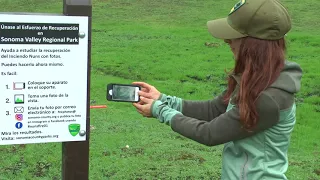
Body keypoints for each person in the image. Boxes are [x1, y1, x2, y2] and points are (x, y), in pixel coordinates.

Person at [132, 0, 303, 179]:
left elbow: (210, 133)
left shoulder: (269, 97)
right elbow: (214, 109)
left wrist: (159, 110)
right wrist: (163, 99)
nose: (226, 40)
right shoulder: (259, 78)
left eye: (234, 36)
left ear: (254, 44)